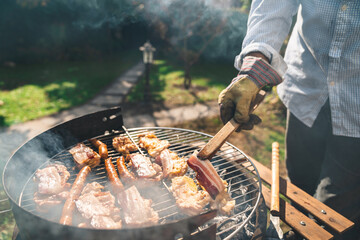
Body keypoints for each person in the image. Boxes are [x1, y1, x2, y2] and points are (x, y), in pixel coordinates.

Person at [218, 1, 360, 239]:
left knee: (335, 213)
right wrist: (254, 67)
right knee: (299, 187)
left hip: (356, 108)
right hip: (306, 89)